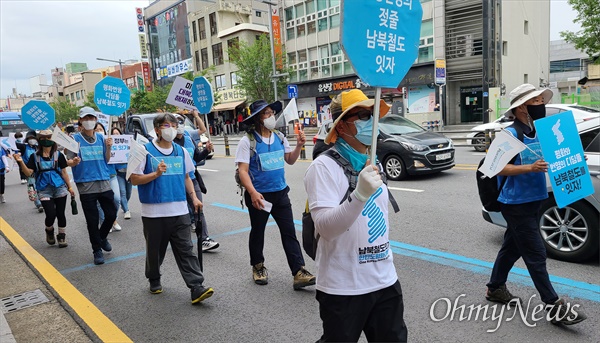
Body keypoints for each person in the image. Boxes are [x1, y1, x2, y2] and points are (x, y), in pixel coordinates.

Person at [304, 89, 407, 342]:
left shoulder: (373, 162)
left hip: (385, 282)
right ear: (340, 127)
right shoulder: (323, 167)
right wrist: (359, 195)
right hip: (343, 289)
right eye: (362, 115)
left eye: (372, 114)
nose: (370, 120)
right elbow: (326, 228)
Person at [486, 83, 587, 325]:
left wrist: (574, 159)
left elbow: (556, 156)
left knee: (512, 248)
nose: (542, 105)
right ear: (522, 107)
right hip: (515, 204)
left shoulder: (539, 131)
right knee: (536, 254)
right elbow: (494, 167)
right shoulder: (509, 134)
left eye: (542, 100)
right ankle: (554, 306)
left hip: (534, 200)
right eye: (538, 101)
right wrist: (529, 168)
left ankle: (495, 288)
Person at [130, 113, 214, 304]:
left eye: (174, 125)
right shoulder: (144, 151)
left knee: (186, 250)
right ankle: (154, 277)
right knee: (155, 251)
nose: (171, 129)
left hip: (180, 211)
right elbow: (133, 178)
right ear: (157, 129)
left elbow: (187, 177)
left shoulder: (181, 151)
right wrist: (155, 174)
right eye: (167, 125)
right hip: (153, 213)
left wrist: (194, 198)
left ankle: (196, 287)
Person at [235, 99, 316, 290]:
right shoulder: (248, 141)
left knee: (289, 232)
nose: (271, 116)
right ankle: (258, 266)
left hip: (280, 193)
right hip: (259, 196)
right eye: (266, 113)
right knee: (258, 232)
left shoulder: (280, 137)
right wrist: (253, 193)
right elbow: (243, 171)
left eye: (272, 112)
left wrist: (298, 146)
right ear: (257, 119)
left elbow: (290, 160)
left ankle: (298, 271)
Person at [66, 107, 117, 265]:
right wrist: (73, 162)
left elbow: (107, 160)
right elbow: (68, 160)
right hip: (86, 184)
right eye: (85, 118)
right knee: (92, 219)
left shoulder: (102, 138)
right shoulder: (74, 140)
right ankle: (97, 250)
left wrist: (109, 147)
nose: (89, 121)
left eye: (92, 118)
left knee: (111, 214)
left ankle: (101, 237)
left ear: (96, 120)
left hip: (103, 181)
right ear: (80, 120)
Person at [14, 130, 75, 247]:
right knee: (50, 214)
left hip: (60, 187)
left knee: (61, 213)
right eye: (43, 138)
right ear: (39, 140)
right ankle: (49, 230)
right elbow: (29, 173)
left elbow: (64, 172)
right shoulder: (34, 157)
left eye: (49, 137)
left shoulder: (59, 155)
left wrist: (70, 187)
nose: (46, 140)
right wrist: (21, 162)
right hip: (43, 189)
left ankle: (62, 236)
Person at [173, 115, 219, 260]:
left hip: (192, 179)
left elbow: (197, 158)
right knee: (182, 213)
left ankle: (204, 239)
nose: (179, 125)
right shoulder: (167, 143)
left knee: (198, 208)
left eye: (181, 122)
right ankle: (182, 242)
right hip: (175, 182)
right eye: (176, 123)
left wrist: (206, 150)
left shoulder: (188, 138)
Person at [93, 122, 121, 232]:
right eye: (97, 129)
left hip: (112, 174)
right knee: (100, 202)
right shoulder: (94, 144)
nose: (99, 131)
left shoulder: (110, 141)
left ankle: (113, 219)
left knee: (117, 198)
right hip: (99, 176)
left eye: (101, 129)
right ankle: (104, 221)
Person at [17, 130, 44, 211]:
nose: (32, 139)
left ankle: (43, 200)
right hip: (29, 170)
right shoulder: (24, 147)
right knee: (33, 187)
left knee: (41, 186)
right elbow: (14, 145)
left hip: (39, 170)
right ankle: (38, 204)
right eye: (30, 138)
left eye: (33, 138)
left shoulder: (38, 147)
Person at [111, 127, 132, 220]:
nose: (116, 135)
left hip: (128, 172)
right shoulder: (110, 145)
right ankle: (127, 210)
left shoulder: (126, 142)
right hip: (118, 173)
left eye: (117, 133)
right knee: (122, 192)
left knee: (128, 193)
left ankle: (124, 206)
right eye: (114, 133)